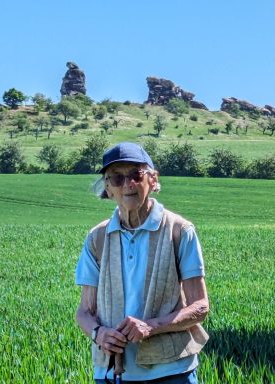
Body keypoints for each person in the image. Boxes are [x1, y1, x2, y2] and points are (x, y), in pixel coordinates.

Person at [75, 142, 209, 383]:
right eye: (117, 178)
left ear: (153, 180)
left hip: (173, 371)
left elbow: (200, 306)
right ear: (108, 188)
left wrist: (151, 326)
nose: (128, 184)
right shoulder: (97, 238)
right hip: (112, 373)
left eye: (136, 174)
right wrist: (98, 333)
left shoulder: (179, 231)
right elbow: (85, 312)